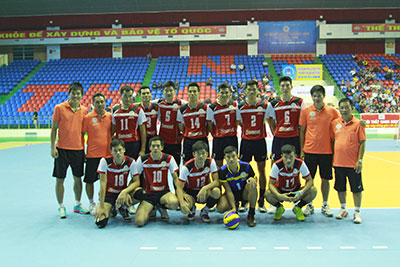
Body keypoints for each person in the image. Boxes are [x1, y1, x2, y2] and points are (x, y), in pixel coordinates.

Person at [299, 85, 340, 217]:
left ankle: (325, 204)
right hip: (310, 150)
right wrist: (302, 150)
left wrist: (360, 122)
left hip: (326, 151)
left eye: (319, 95)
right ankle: (309, 204)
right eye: (314, 96)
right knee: (309, 180)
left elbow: (342, 123)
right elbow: (302, 131)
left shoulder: (332, 111)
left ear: (323, 96)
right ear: (312, 97)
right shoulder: (306, 111)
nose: (316, 98)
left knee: (325, 179)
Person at [266, 76, 305, 214]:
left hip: (294, 138)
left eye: (287, 85)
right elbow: (271, 121)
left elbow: (302, 125)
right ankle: (275, 201)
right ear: (279, 88)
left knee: (297, 165)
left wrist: (302, 147)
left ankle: (297, 198)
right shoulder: (274, 103)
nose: (285, 87)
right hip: (279, 139)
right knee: (274, 166)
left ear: (291, 86)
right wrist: (277, 132)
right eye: (282, 85)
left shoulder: (299, 102)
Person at [51, 82, 89, 219]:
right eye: (73, 93)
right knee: (60, 179)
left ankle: (77, 204)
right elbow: (54, 128)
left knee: (77, 178)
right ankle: (61, 206)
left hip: (78, 150)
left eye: (78, 93)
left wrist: (84, 150)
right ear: (69, 93)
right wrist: (52, 147)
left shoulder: (84, 110)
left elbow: (83, 133)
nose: (76, 95)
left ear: (82, 95)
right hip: (61, 150)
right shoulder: (59, 108)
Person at [331, 98, 366, 224]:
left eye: (347, 107)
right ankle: (343, 208)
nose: (344, 110)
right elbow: (333, 141)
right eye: (342, 107)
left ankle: (357, 212)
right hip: (338, 163)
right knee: (340, 188)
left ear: (352, 108)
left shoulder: (358, 124)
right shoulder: (335, 123)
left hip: (353, 164)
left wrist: (360, 160)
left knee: (356, 189)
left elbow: (362, 143)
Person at [236, 80, 269, 213]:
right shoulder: (241, 106)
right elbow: (239, 122)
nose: (251, 91)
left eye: (253, 89)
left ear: (257, 90)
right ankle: (244, 200)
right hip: (246, 142)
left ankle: (261, 201)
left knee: (262, 171)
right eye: (249, 89)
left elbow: (270, 120)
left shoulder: (264, 105)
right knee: (244, 172)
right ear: (245, 91)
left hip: (260, 141)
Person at [134, 136, 180, 227]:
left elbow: (175, 178)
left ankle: (161, 206)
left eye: (158, 146)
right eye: (153, 146)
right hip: (148, 194)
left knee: (174, 203)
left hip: (163, 193)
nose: (155, 148)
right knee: (139, 222)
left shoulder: (169, 158)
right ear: (150, 147)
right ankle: (151, 208)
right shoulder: (142, 159)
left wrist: (180, 195)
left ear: (162, 147)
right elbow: (135, 178)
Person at [94, 139, 140, 228]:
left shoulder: (130, 161)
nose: (118, 153)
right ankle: (112, 208)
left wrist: (125, 191)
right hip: (109, 194)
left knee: (141, 193)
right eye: (115, 151)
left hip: (123, 194)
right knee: (100, 222)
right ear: (111, 151)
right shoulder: (105, 161)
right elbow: (103, 183)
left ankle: (123, 207)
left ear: (124, 150)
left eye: (120, 150)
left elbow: (137, 181)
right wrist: (101, 205)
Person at [265, 144, 317, 221]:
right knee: (268, 194)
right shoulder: (277, 165)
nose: (288, 160)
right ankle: (279, 208)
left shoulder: (300, 163)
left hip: (296, 191)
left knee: (313, 190)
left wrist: (301, 192)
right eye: (285, 157)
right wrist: (278, 195)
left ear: (295, 155)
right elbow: (271, 184)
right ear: (282, 156)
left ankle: (298, 208)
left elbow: (309, 180)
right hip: (281, 191)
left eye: (291, 157)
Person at [82, 93, 112, 215]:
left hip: (108, 156)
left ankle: (106, 202)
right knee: (90, 180)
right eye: (97, 102)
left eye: (102, 102)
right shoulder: (88, 118)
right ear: (93, 103)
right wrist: (82, 150)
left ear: (105, 103)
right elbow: (82, 134)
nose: (100, 104)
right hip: (92, 155)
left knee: (108, 181)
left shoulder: (110, 116)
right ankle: (91, 203)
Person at [175, 141, 220, 222]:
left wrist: (205, 188)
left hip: (204, 191)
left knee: (216, 191)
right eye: (198, 153)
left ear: (207, 153)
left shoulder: (210, 162)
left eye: (203, 153)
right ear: (193, 154)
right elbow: (179, 187)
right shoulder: (187, 167)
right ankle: (192, 208)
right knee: (184, 206)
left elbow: (216, 181)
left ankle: (205, 211)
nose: (201, 156)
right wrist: (182, 203)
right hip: (190, 192)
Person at [216, 146, 257, 227]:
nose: (231, 159)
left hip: (244, 192)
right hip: (232, 193)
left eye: (233, 156)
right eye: (228, 157)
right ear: (225, 158)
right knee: (221, 208)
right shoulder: (222, 171)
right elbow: (228, 190)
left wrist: (253, 179)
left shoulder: (246, 166)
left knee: (252, 184)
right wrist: (233, 208)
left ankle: (251, 214)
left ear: (237, 156)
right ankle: (236, 205)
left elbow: (255, 180)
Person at [206, 83, 238, 168]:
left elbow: (237, 121)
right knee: (218, 165)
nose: (224, 95)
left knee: (233, 164)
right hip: (218, 140)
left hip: (231, 138)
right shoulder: (212, 107)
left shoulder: (235, 104)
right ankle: (219, 181)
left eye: (226, 92)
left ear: (230, 94)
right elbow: (210, 125)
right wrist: (217, 134)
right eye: (222, 92)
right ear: (218, 94)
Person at [112, 85, 147, 160]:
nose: (128, 99)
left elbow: (143, 131)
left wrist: (142, 149)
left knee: (133, 168)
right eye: (125, 96)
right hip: (119, 144)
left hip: (133, 144)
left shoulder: (138, 110)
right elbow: (112, 130)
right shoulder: (115, 110)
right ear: (121, 96)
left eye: (130, 96)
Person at [177, 82, 209, 163]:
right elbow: (181, 126)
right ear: (187, 94)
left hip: (202, 139)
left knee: (204, 163)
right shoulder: (182, 109)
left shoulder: (205, 108)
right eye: (190, 92)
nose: (192, 94)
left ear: (198, 93)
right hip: (188, 140)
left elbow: (209, 124)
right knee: (187, 163)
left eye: (194, 91)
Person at [157, 81, 187, 166]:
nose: (169, 93)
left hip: (176, 141)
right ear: (163, 92)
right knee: (163, 166)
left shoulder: (181, 104)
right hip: (163, 141)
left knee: (176, 167)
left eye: (171, 90)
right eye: (166, 90)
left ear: (175, 91)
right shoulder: (159, 104)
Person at [137, 86, 158, 154]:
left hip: (153, 138)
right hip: (140, 139)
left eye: (147, 93)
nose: (146, 95)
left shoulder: (156, 107)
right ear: (139, 95)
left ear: (151, 94)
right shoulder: (136, 109)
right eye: (143, 93)